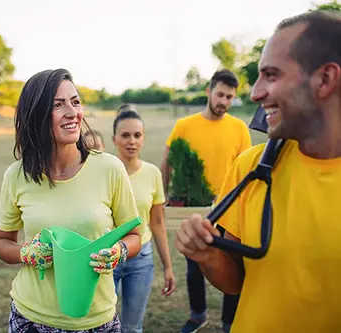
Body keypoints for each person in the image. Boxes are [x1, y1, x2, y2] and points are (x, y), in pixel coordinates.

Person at [174, 10, 341, 333]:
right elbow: (235, 282)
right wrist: (207, 255)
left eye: (272, 75)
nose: (255, 93)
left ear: (325, 79)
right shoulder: (252, 167)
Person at [0, 68, 142, 333]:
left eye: (75, 102)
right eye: (58, 105)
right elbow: (2, 243)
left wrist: (118, 251)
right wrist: (26, 253)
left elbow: (134, 236)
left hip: (98, 321)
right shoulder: (16, 175)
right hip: (32, 319)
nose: (72, 112)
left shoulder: (110, 168)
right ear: (37, 115)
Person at [160, 69, 252, 333]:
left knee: (234, 265)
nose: (223, 101)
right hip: (196, 208)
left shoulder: (238, 128)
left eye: (229, 97)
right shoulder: (185, 126)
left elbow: (245, 171)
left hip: (231, 210)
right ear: (209, 92)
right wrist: (166, 195)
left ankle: (228, 323)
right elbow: (168, 160)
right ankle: (198, 316)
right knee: (195, 266)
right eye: (220, 94)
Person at [111, 110, 176, 333]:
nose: (132, 141)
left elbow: (157, 222)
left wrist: (168, 266)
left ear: (143, 138)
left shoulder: (153, 173)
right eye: (125, 135)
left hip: (141, 259)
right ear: (114, 139)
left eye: (137, 135)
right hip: (107, 257)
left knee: (132, 327)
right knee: (100, 325)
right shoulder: (105, 172)